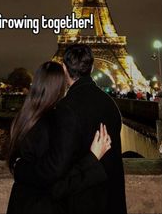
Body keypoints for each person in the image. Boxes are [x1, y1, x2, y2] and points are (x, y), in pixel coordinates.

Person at [14, 44, 127, 214]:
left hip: (82, 202)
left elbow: (56, 171)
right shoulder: (111, 105)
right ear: (92, 67)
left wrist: (20, 168)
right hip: (110, 201)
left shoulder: (65, 109)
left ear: (65, 69)